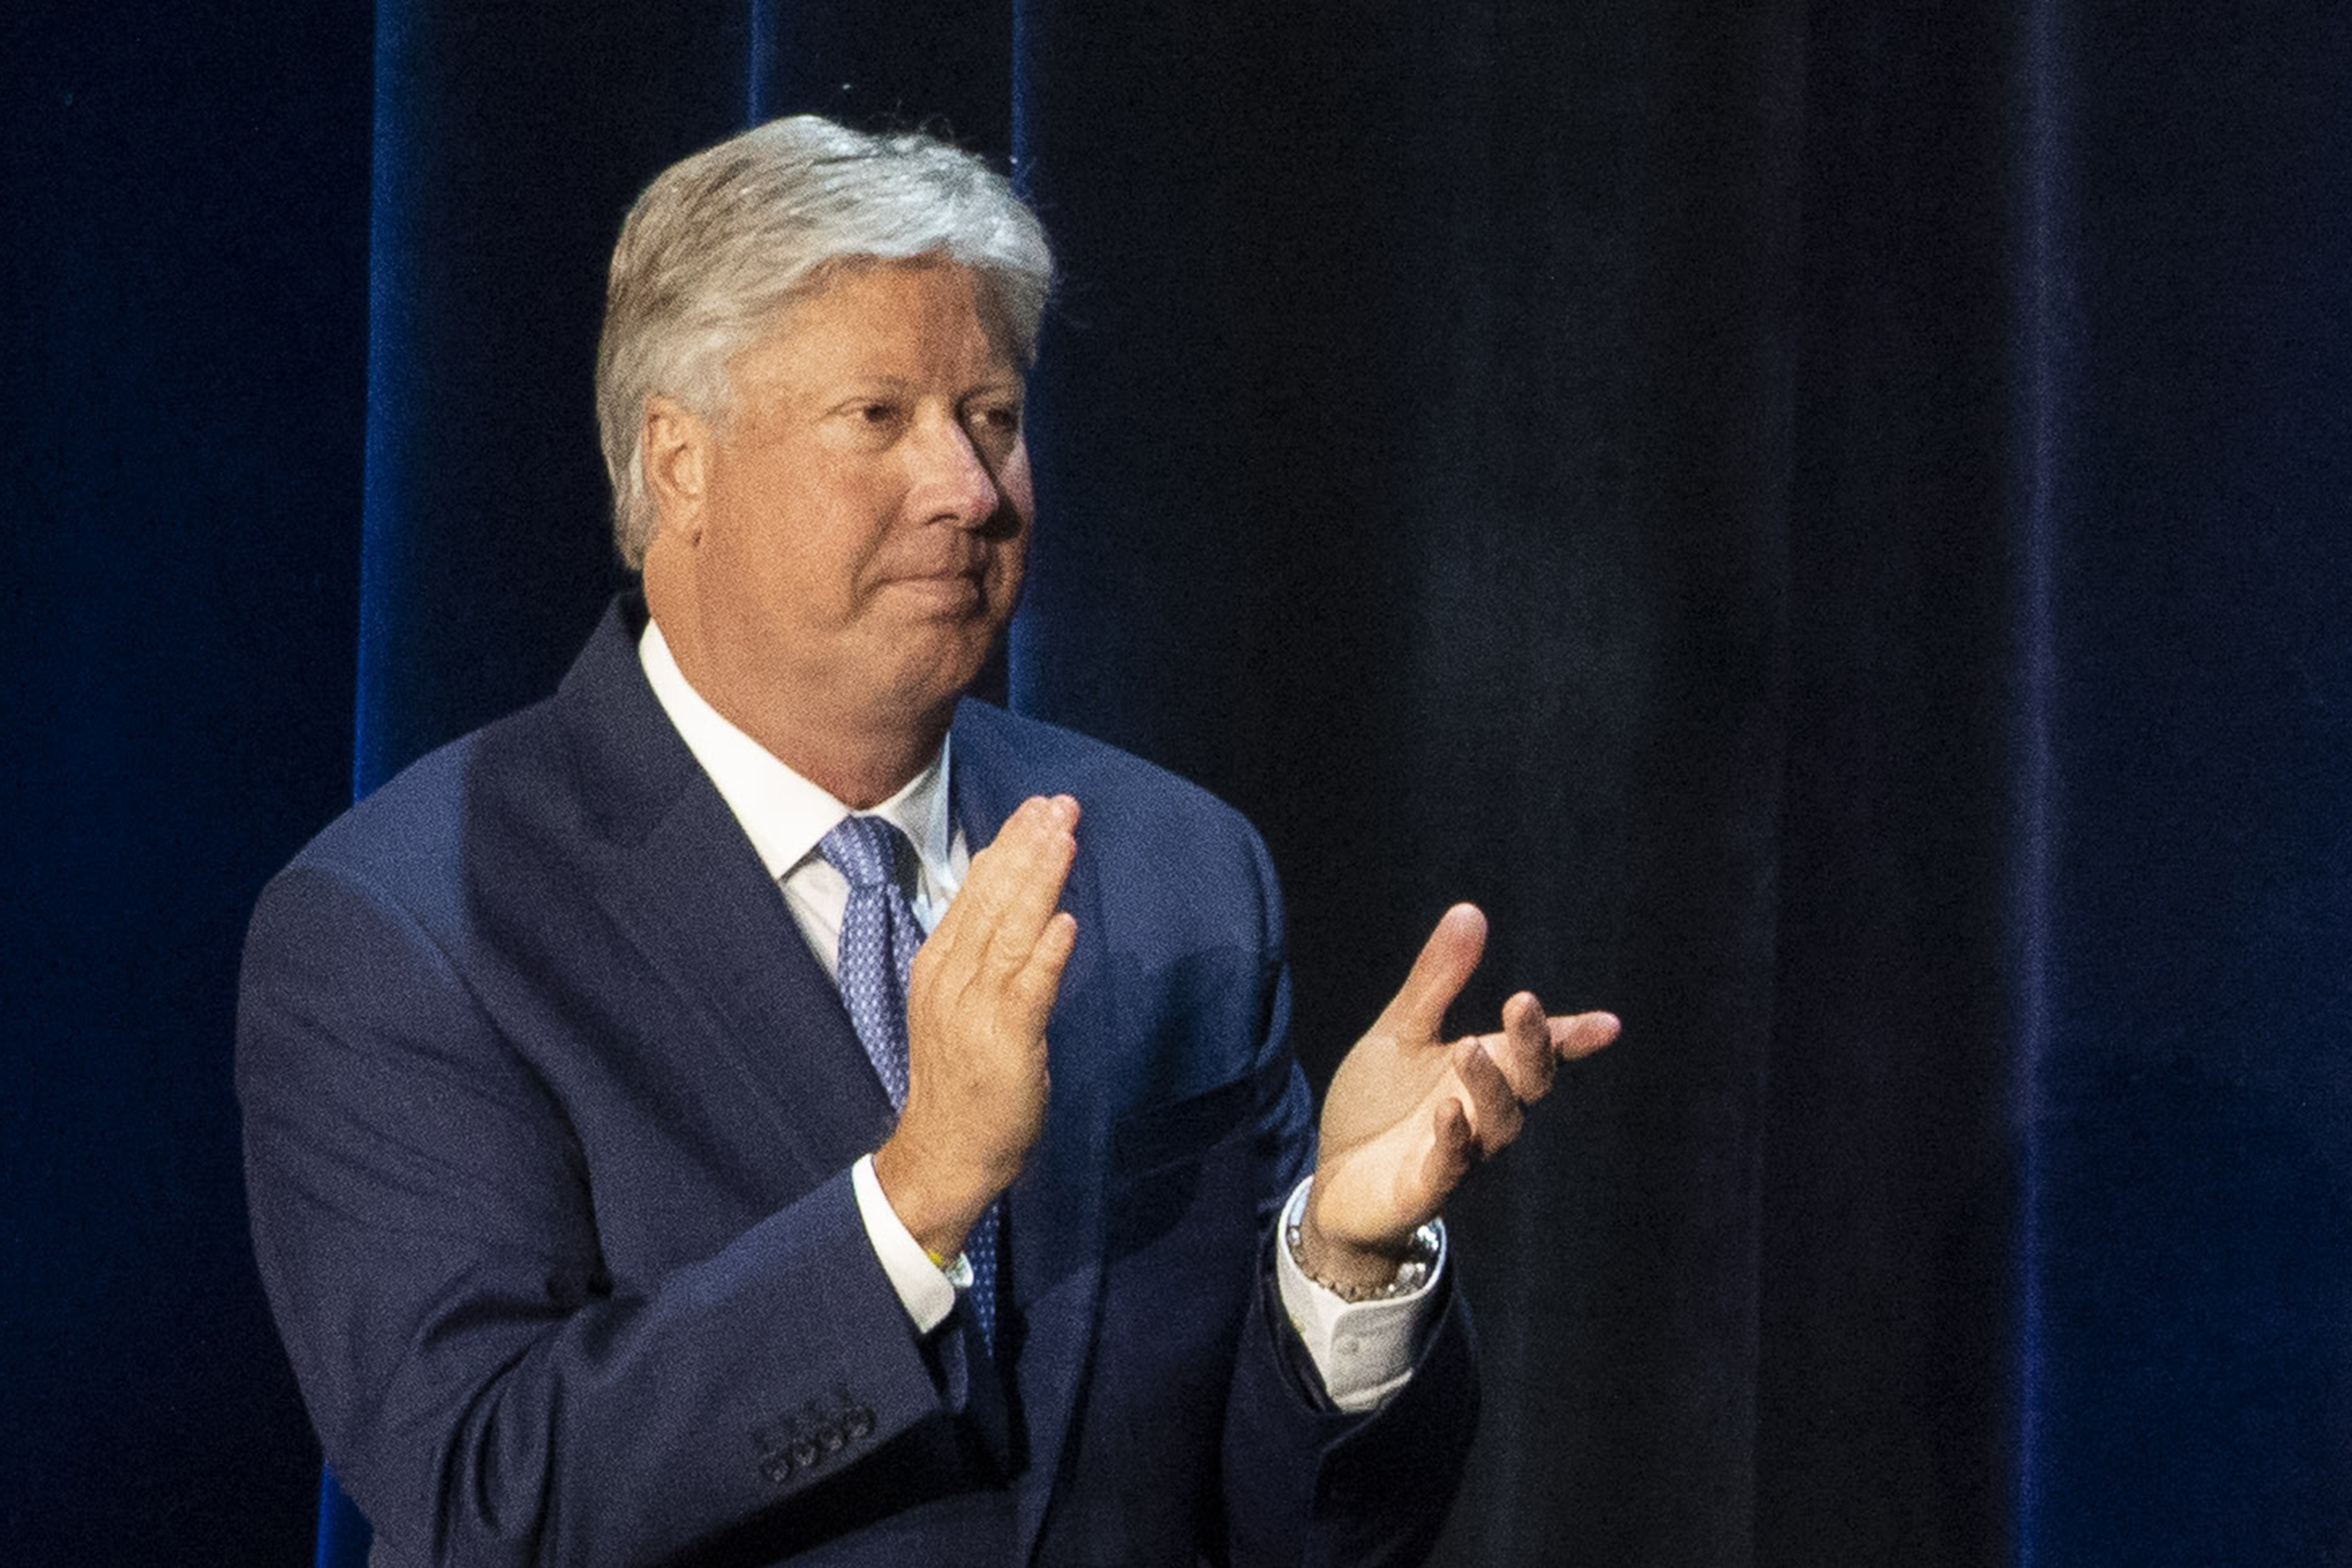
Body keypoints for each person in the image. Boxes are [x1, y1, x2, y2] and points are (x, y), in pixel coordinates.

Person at [238, 114, 1617, 1568]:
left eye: (994, 418)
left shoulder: (1178, 873)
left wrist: (1343, 1263)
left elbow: (1310, 1537)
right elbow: (486, 1491)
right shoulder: (406, 924)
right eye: (881, 417)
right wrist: (913, 1201)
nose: (969, 489)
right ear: (680, 462)